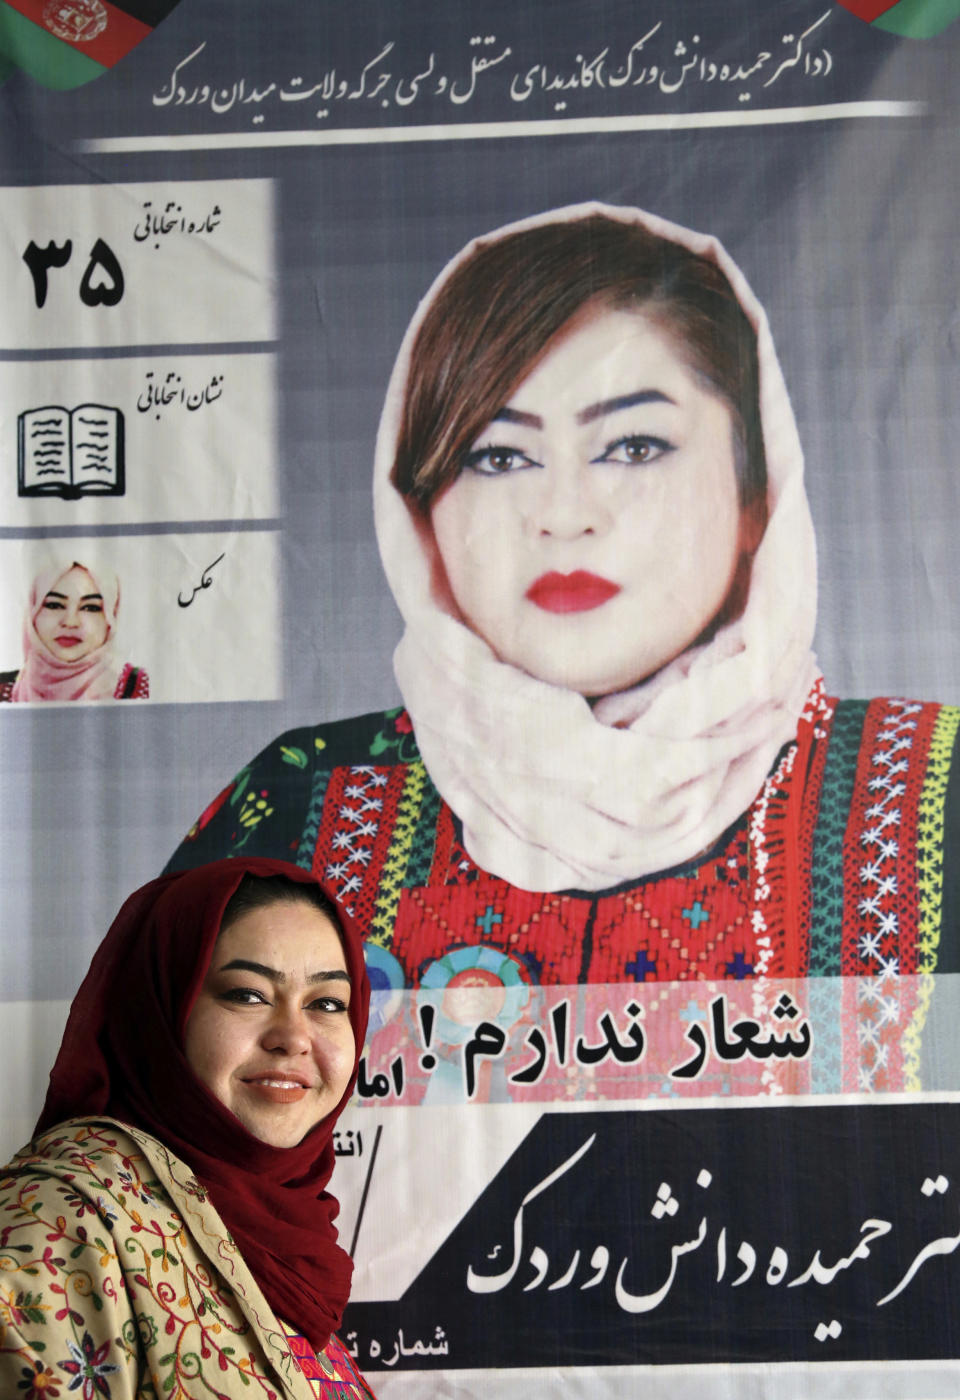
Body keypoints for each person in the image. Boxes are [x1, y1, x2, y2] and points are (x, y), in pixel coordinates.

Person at [166, 203, 960, 1012]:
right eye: (499, 455)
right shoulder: (299, 811)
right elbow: (138, 1114)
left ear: (759, 491)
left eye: (633, 446)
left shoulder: (936, 790)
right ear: (421, 515)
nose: (563, 513)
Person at [0, 857, 375, 1399]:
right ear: (159, 1012)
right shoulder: (61, 1226)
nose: (293, 1037)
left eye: (326, 1003)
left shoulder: (291, 1251)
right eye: (247, 994)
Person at [0, 557, 148, 702]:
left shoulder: (142, 688)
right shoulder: (4, 690)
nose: (71, 622)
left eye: (90, 607)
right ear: (32, 616)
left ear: (111, 619)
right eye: (54, 605)